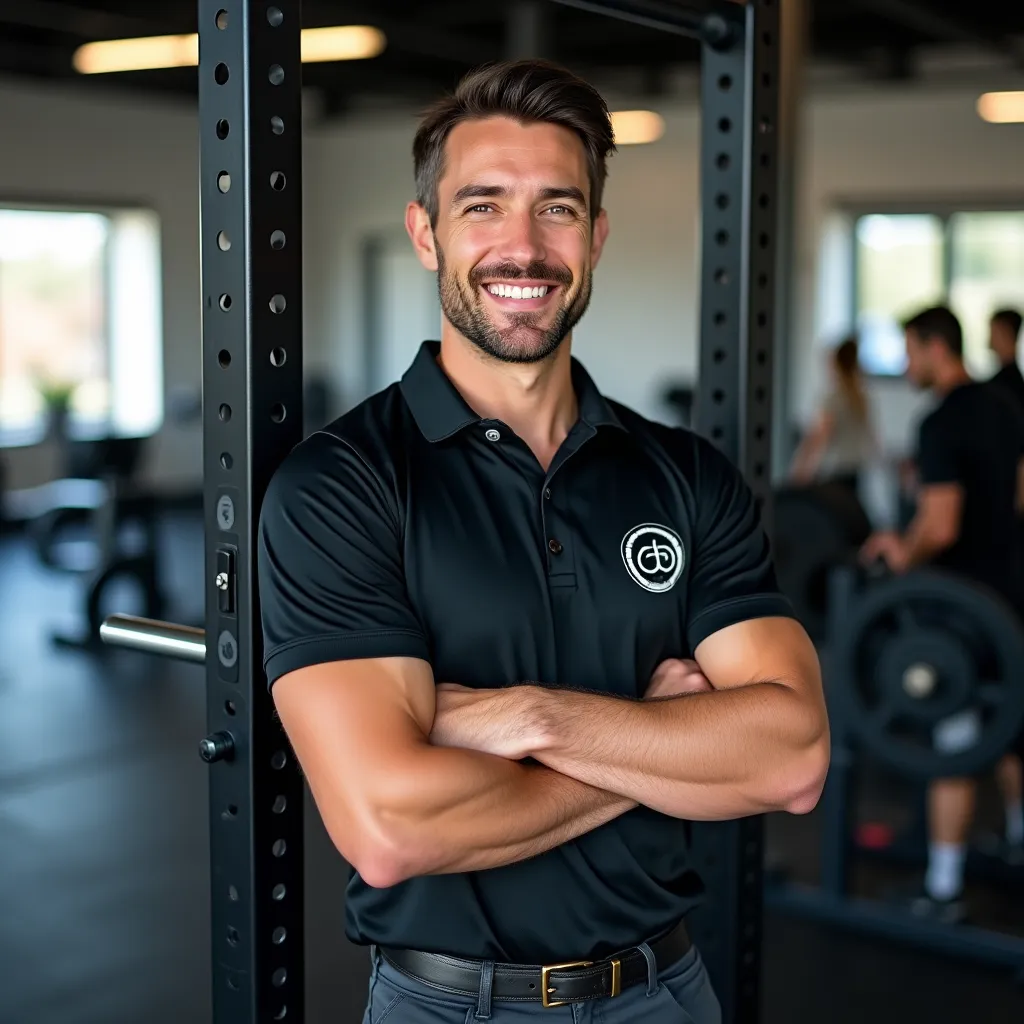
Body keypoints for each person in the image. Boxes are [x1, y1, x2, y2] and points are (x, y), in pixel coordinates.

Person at [257, 59, 830, 1024]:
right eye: (482, 206)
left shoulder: (685, 476)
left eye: (557, 209)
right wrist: (659, 747)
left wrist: (526, 716)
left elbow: (792, 757)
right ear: (425, 234)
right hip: (449, 1004)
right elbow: (389, 825)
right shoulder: (341, 486)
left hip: (668, 991)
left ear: (596, 236)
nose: (523, 247)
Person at [861, 305, 1024, 922]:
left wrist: (901, 549)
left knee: (952, 736)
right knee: (1011, 724)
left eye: (910, 351)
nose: (906, 364)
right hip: (1010, 591)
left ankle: (944, 886)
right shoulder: (1005, 407)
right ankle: (1015, 838)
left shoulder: (940, 422)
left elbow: (941, 523)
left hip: (961, 608)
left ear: (936, 348)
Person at [789, 335, 876, 499]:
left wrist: (800, 469)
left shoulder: (832, 398)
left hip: (834, 473)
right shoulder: (861, 396)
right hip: (854, 471)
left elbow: (820, 436)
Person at [989, 308, 1024, 409]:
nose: (990, 339)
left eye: (994, 332)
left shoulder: (1003, 386)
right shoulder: (1013, 380)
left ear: (1006, 332)